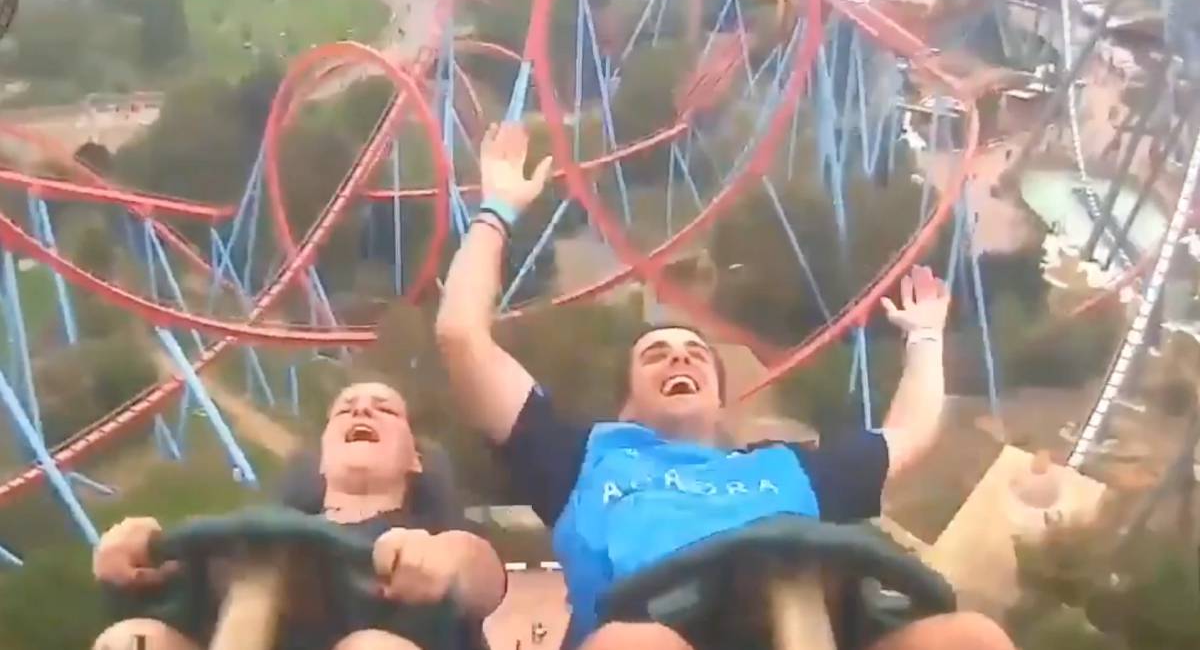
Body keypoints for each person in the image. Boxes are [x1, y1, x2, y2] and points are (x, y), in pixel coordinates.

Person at [434, 122, 1017, 650]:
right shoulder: (581, 460)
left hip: (806, 623)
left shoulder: (787, 469)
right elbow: (461, 337)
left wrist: (925, 335)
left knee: (970, 638)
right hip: (653, 634)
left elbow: (908, 434)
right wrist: (497, 210)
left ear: (720, 396)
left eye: (695, 355)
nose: (678, 359)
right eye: (656, 356)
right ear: (625, 403)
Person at [92, 382, 506, 650]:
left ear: (415, 458)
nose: (361, 412)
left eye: (385, 409)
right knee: (129, 640)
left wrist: (442, 558)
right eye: (344, 409)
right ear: (321, 459)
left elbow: (483, 575)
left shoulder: (429, 534)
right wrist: (132, 555)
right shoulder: (257, 530)